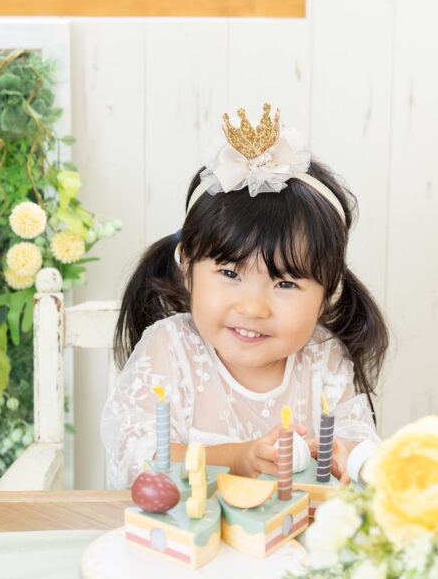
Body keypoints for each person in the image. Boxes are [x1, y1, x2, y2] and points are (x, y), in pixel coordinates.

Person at [102, 104, 389, 489]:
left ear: (329, 290)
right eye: (229, 273)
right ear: (186, 265)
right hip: (191, 528)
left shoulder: (323, 359)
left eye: (285, 284)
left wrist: (343, 456)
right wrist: (237, 459)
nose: (253, 308)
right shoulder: (171, 349)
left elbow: (360, 450)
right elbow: (135, 458)